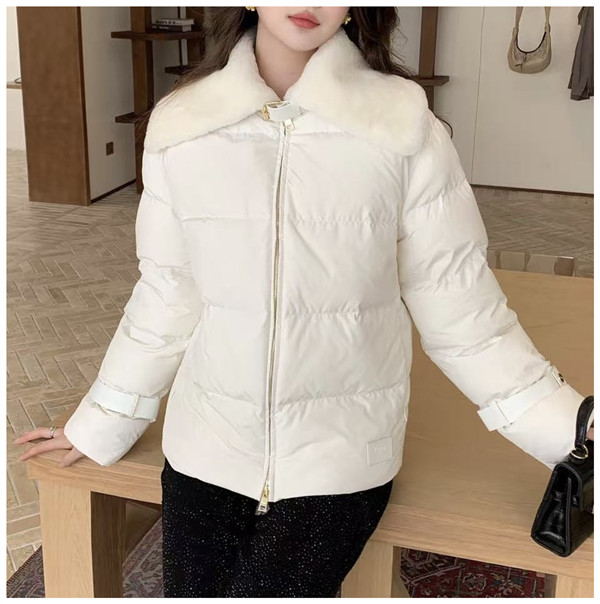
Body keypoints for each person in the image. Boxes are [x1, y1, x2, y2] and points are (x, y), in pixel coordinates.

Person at [14, 6, 594, 598]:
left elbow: (462, 308)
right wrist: (102, 420)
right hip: (205, 447)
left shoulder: (402, 129)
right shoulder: (182, 127)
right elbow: (166, 293)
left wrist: (571, 432)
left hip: (342, 459)